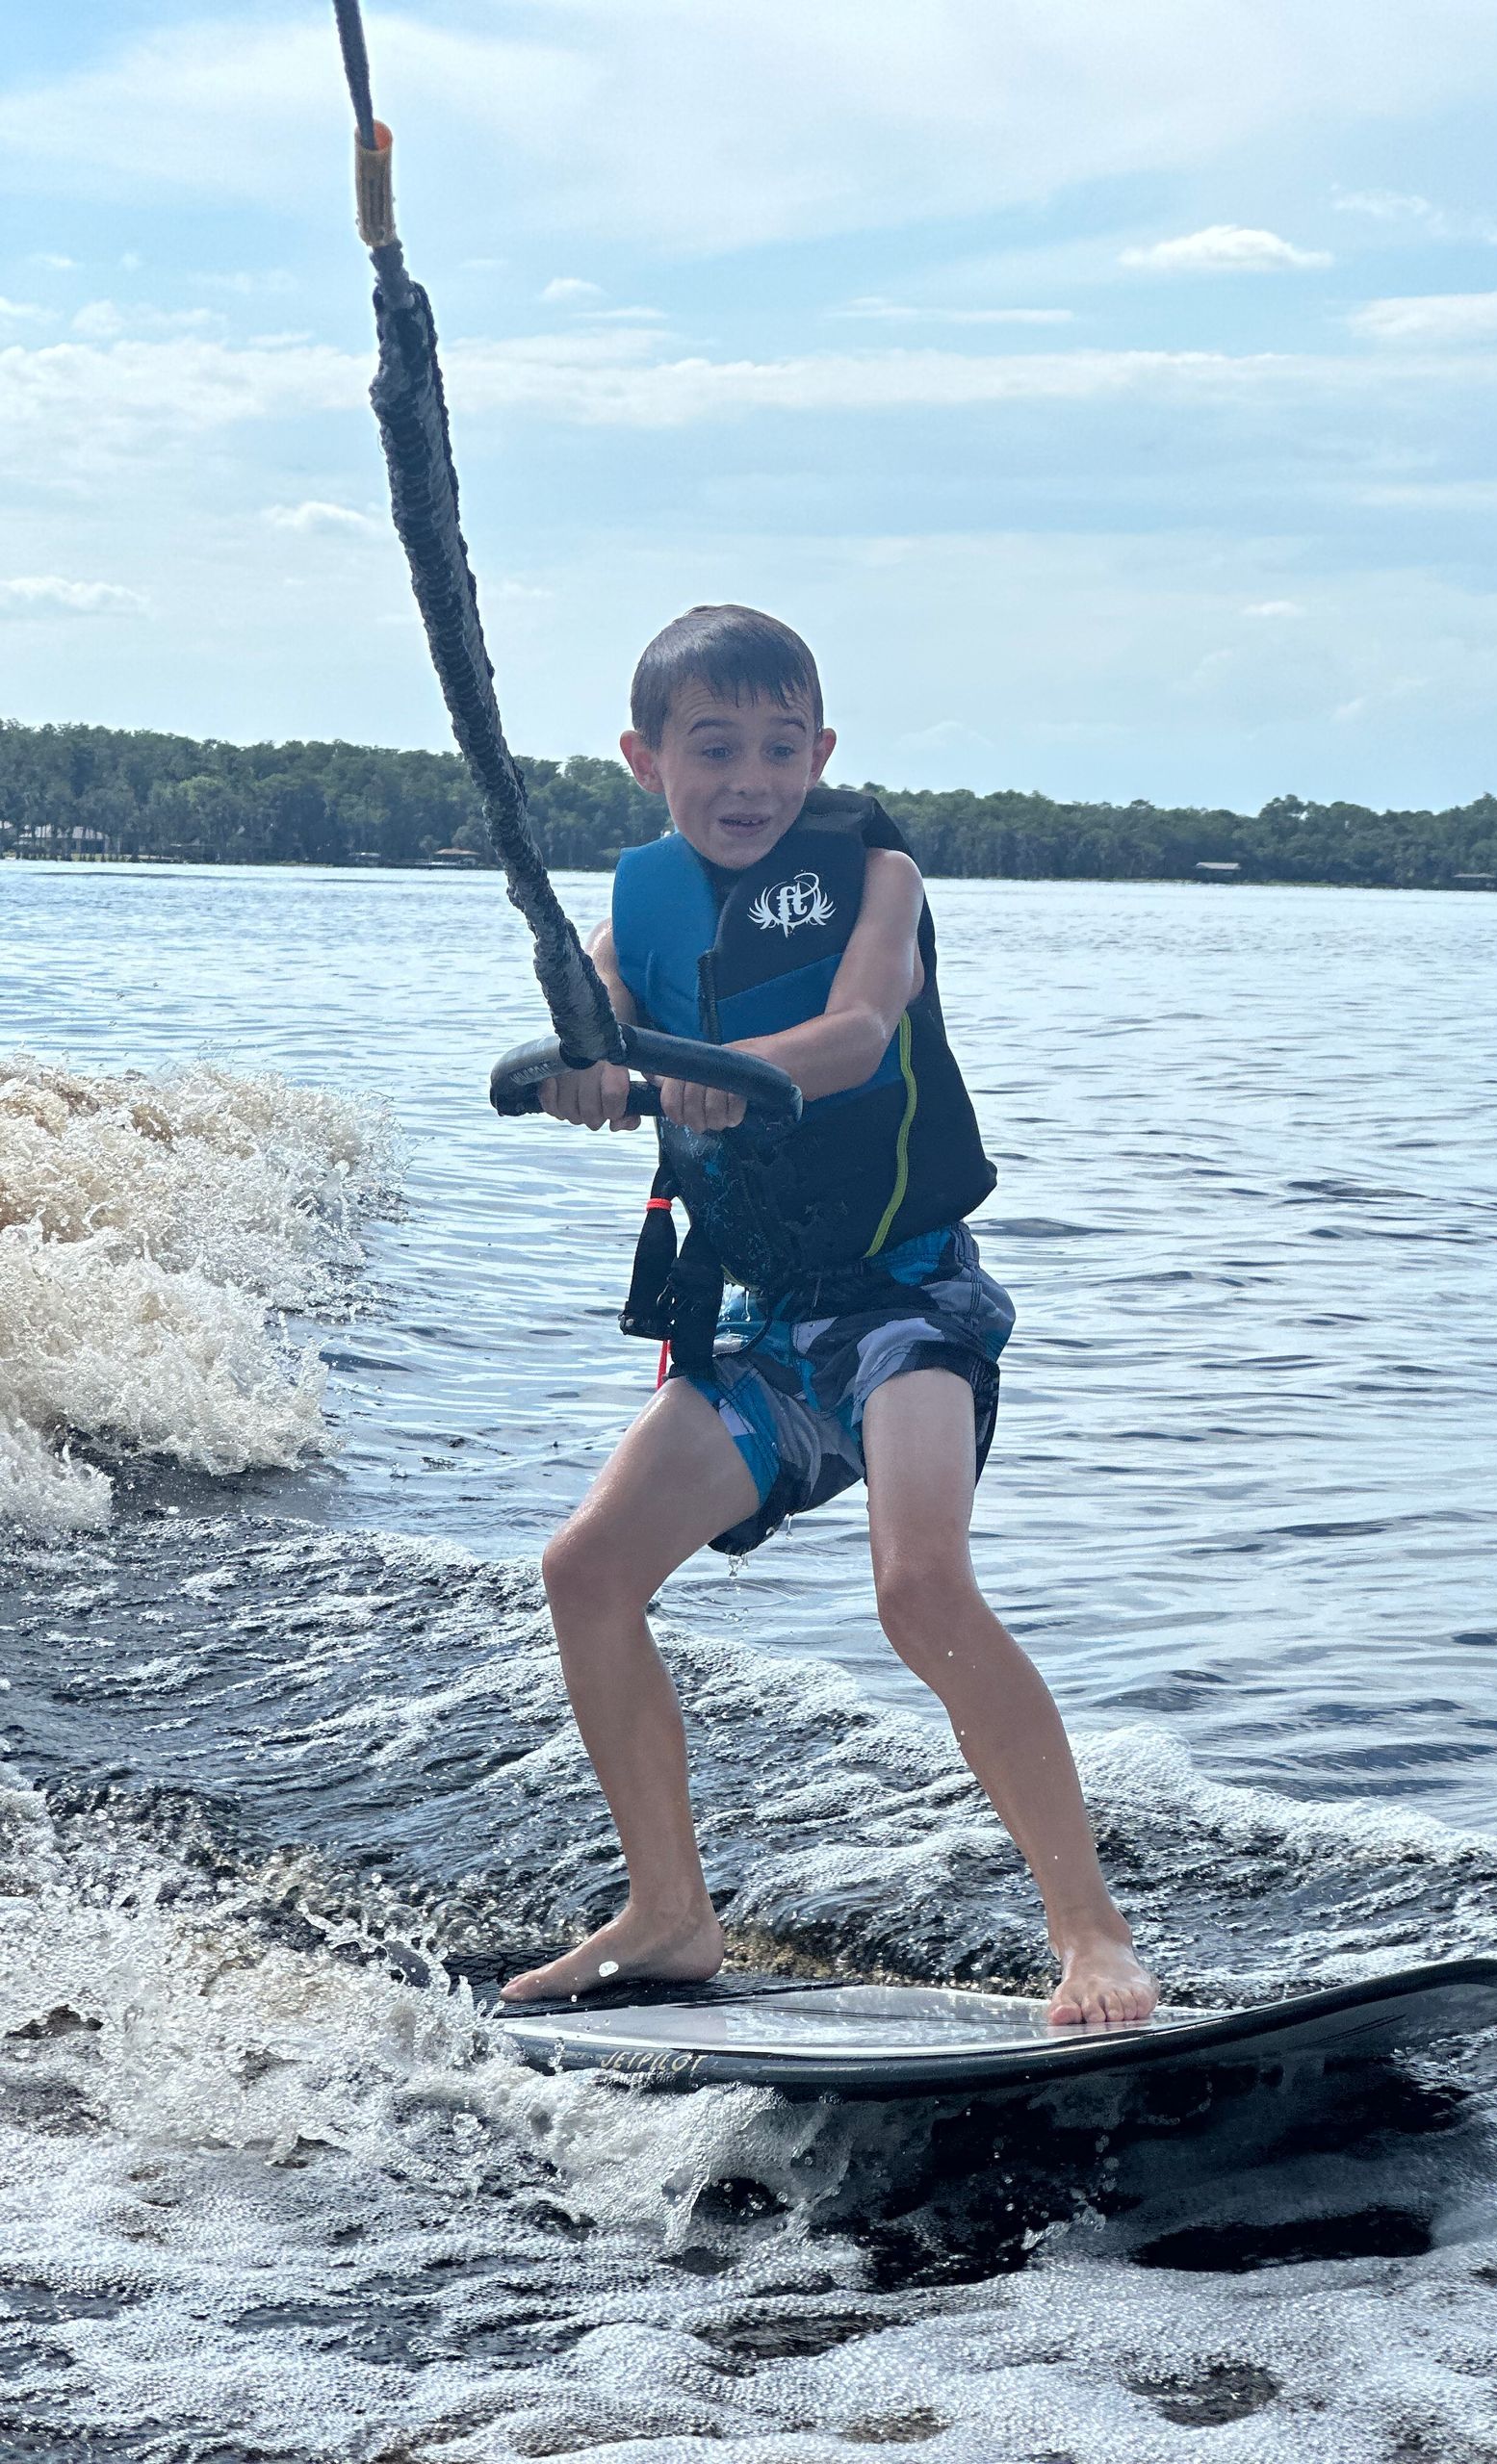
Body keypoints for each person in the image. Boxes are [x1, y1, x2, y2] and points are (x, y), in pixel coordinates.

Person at [500, 604, 1157, 2025]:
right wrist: (581, 1072)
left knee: (919, 1585)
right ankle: (671, 1913)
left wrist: (710, 1072)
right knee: (586, 1570)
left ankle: (1092, 1937)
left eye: (780, 749)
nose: (751, 779)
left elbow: (859, 1031)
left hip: (910, 1298)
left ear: (823, 753)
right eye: (714, 748)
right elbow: (596, 1033)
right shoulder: (637, 912)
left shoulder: (880, 879)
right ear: (644, 759)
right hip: (766, 1324)